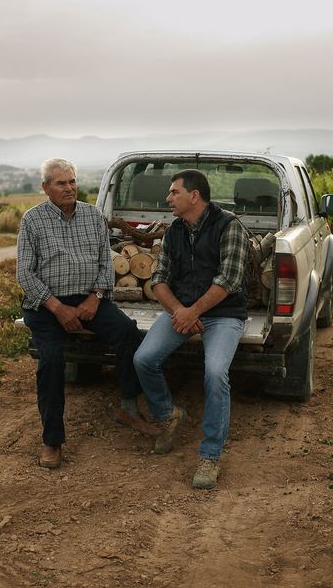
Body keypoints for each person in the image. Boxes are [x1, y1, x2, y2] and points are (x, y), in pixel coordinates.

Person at [17, 158, 159, 469]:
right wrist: (57, 307)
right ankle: (52, 440)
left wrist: (95, 298)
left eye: (71, 182)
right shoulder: (33, 220)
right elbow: (25, 274)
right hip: (46, 306)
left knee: (128, 334)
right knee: (52, 360)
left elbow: (104, 263)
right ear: (46, 188)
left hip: (88, 299)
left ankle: (128, 408)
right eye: (60, 183)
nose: (68, 188)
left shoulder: (93, 215)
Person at [133, 169, 249, 489]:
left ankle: (210, 456)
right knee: (143, 359)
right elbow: (158, 280)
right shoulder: (174, 231)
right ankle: (169, 414)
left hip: (223, 314)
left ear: (193, 196)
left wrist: (193, 311)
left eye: (174, 192)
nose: (168, 198)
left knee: (214, 372)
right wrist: (181, 312)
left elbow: (229, 281)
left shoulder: (230, 227)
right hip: (182, 311)